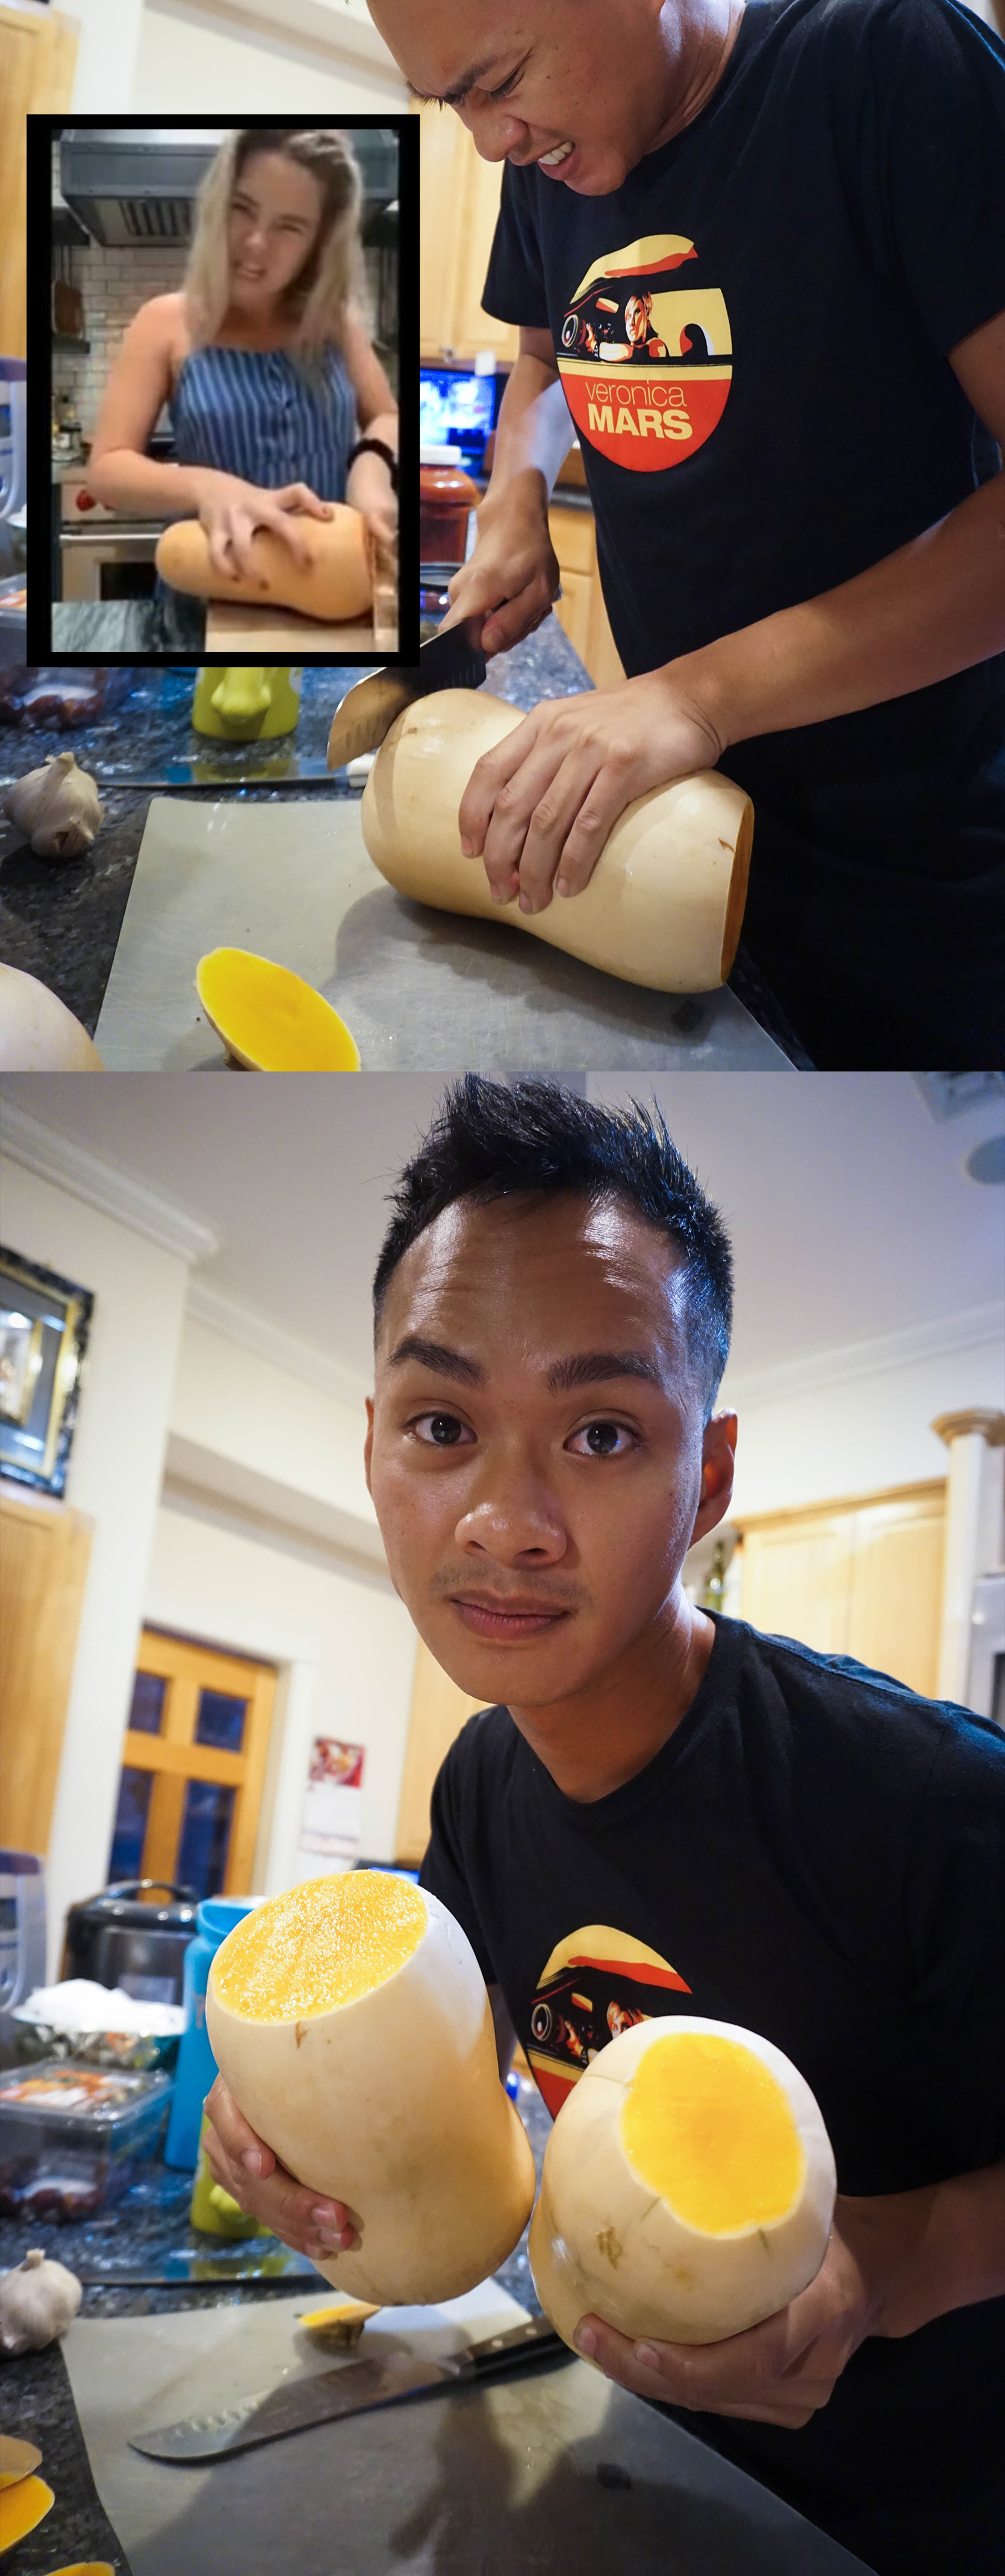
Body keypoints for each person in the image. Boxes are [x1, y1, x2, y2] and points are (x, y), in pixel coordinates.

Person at [205, 1076, 1005, 2576]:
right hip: (618, 2469)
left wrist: (881, 2266)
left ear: (704, 1478)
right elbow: (481, 2072)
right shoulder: (476, 1789)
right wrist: (307, 2136)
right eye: (444, 1423)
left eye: (598, 1435)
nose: (504, 1519)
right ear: (374, 1447)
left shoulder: (932, 1802)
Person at [296, 0, 1005, 1069]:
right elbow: (544, 348)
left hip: (924, 904)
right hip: (654, 843)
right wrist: (515, 488)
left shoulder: (881, 71)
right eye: (448, 102)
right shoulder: (548, 160)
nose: (491, 138)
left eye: (498, 82)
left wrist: (697, 695)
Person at [85, 126, 398, 651]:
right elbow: (108, 468)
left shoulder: (333, 325)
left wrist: (370, 467)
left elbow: (386, 417)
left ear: (319, 241)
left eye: (289, 227)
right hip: (207, 603)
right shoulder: (165, 322)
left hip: (329, 604)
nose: (256, 242)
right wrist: (210, 487)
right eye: (243, 209)